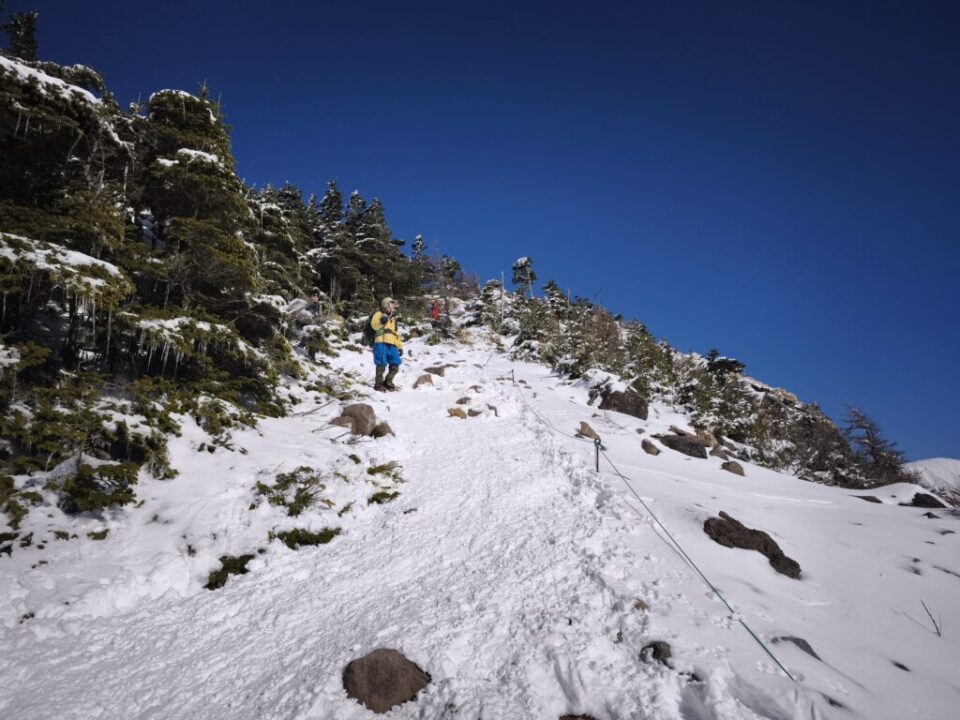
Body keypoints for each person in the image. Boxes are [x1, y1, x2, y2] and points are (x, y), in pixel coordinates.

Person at [370, 297, 402, 391]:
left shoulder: (393, 318)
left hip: (392, 344)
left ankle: (388, 381)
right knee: (381, 362)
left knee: (396, 362)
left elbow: (395, 333)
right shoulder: (378, 314)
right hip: (381, 341)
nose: (394, 305)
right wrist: (381, 321)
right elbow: (374, 326)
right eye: (392, 303)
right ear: (386, 304)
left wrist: (399, 346)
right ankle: (378, 383)